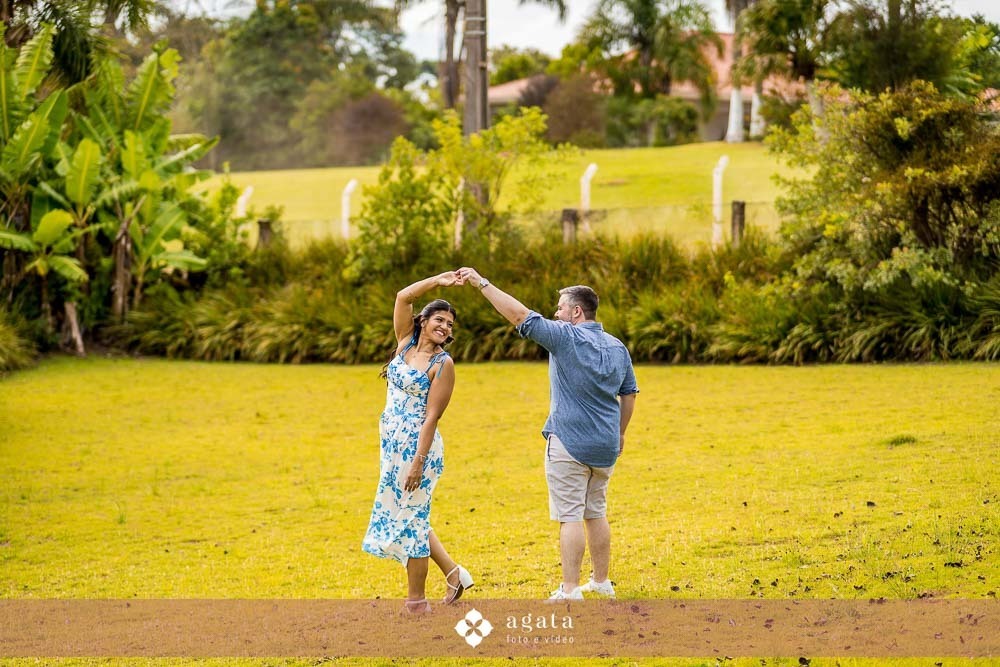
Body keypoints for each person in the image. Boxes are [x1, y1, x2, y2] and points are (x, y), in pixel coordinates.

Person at [457, 267, 638, 600]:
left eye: (560, 309)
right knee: (595, 511)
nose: (556, 314)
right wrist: (621, 434)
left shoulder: (565, 337)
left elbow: (520, 316)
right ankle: (601, 582)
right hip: (605, 446)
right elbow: (629, 395)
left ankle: (570, 590)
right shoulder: (617, 348)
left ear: (576, 312)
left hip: (569, 443)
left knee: (569, 516)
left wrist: (481, 283)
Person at [362, 271, 473, 613]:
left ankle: (416, 603)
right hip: (391, 443)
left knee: (412, 520)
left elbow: (431, 417)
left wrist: (418, 462)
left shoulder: (443, 364)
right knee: (410, 516)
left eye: (450, 324)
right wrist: (438, 280)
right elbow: (402, 296)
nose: (445, 327)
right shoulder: (405, 343)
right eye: (439, 319)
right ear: (423, 321)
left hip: (417, 448)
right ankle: (455, 574)